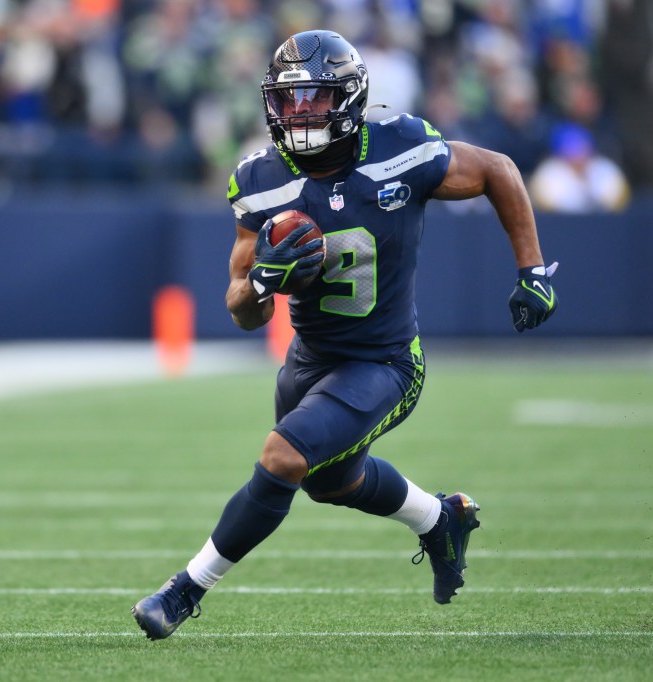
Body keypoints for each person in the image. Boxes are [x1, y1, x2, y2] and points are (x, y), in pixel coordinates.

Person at [132, 30, 559, 640]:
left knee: (282, 457)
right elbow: (239, 307)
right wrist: (263, 283)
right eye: (289, 98)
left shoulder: (400, 148)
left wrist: (533, 271)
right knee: (330, 482)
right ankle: (440, 518)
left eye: (316, 96)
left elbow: (498, 169)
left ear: (351, 97)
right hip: (310, 360)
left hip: (385, 362)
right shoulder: (260, 178)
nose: (300, 111)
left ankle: (183, 591)